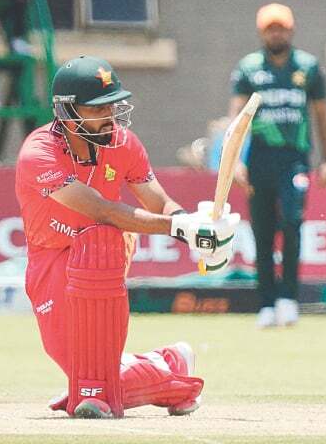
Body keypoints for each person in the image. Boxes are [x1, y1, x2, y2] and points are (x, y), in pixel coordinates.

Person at [15, 55, 240, 418]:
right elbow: (100, 208)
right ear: (68, 111)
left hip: (102, 254)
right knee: (86, 374)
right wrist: (178, 229)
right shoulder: (39, 154)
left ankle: (97, 385)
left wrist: (194, 227)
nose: (110, 115)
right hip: (51, 254)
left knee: (93, 382)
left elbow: (159, 201)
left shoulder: (124, 143)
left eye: (112, 105)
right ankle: (168, 365)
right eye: (98, 108)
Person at [229, 3, 326, 328]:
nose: (277, 33)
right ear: (262, 32)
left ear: (291, 30)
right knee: (262, 228)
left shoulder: (308, 67)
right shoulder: (248, 69)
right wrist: (233, 161)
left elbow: (322, 115)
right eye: (270, 28)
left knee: (291, 223)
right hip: (259, 158)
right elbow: (237, 118)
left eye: (282, 27)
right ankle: (266, 302)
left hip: (294, 158)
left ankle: (288, 297)